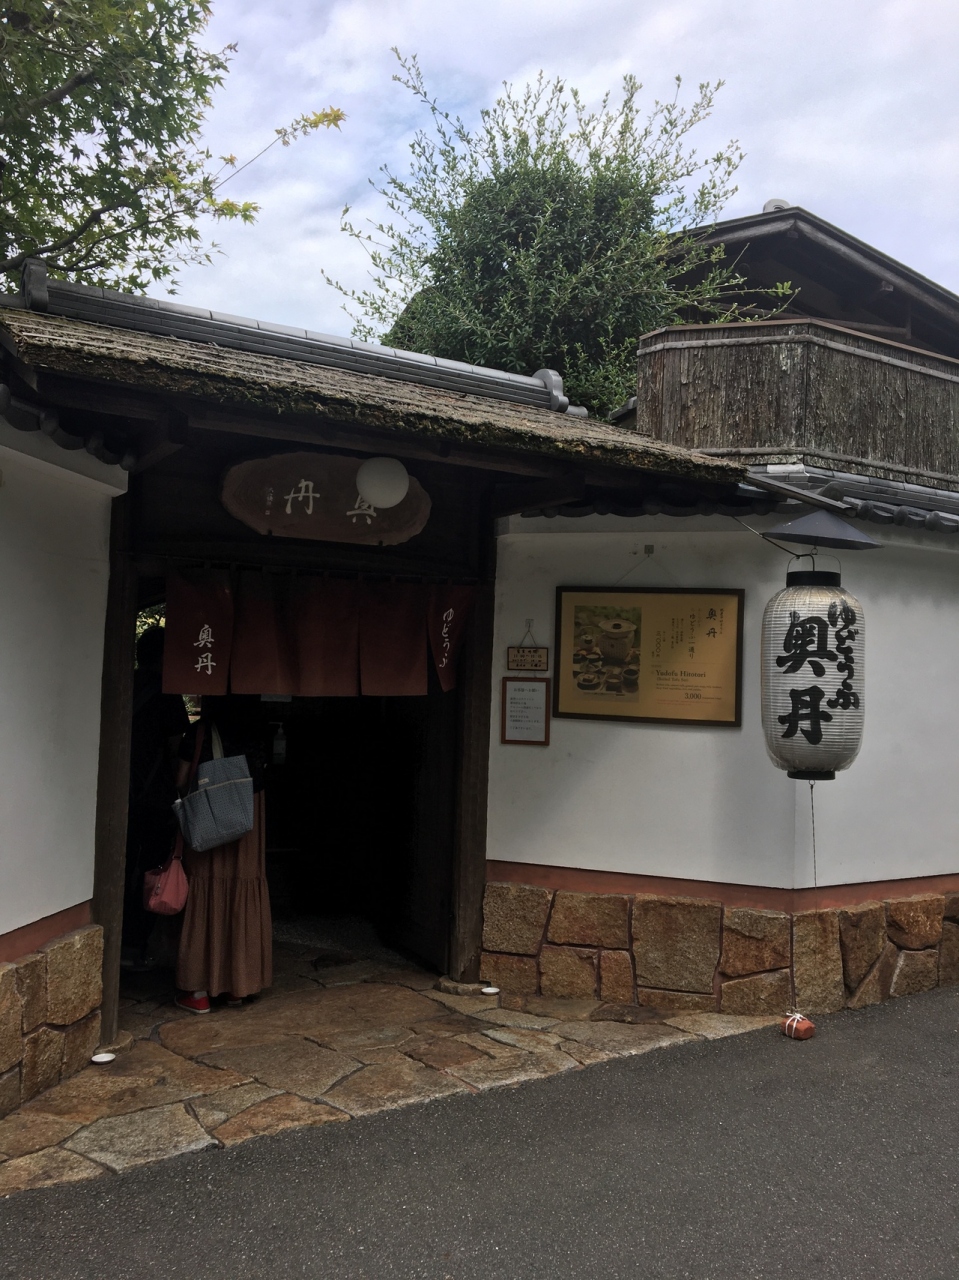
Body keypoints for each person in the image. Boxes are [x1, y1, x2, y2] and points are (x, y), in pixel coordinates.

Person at [174, 695, 272, 1012]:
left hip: (209, 820)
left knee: (206, 893)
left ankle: (199, 991)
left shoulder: (201, 731)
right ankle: (237, 986)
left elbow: (181, 778)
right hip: (246, 821)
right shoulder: (258, 732)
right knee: (241, 888)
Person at [122, 626, 190, 970]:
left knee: (120, 867)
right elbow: (178, 750)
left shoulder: (123, 684)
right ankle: (135, 946)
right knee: (152, 871)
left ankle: (115, 941)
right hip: (154, 798)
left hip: (118, 796)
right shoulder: (168, 693)